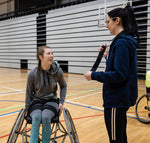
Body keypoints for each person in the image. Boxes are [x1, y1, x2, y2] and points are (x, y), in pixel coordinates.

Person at [84, 5, 139, 143]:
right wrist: (108, 56)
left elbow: (119, 75)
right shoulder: (123, 41)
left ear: (117, 20)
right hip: (118, 99)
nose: (107, 25)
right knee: (120, 137)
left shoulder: (121, 43)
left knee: (116, 139)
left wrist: (93, 75)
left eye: (108, 22)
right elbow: (119, 68)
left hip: (116, 100)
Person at [25, 45, 67, 143]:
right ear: (41, 57)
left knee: (45, 117)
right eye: (48, 53)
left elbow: (63, 86)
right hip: (37, 101)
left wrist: (61, 102)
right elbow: (28, 92)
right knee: (36, 117)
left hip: (51, 101)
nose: (51, 56)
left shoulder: (57, 71)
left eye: (52, 53)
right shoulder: (32, 73)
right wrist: (27, 108)